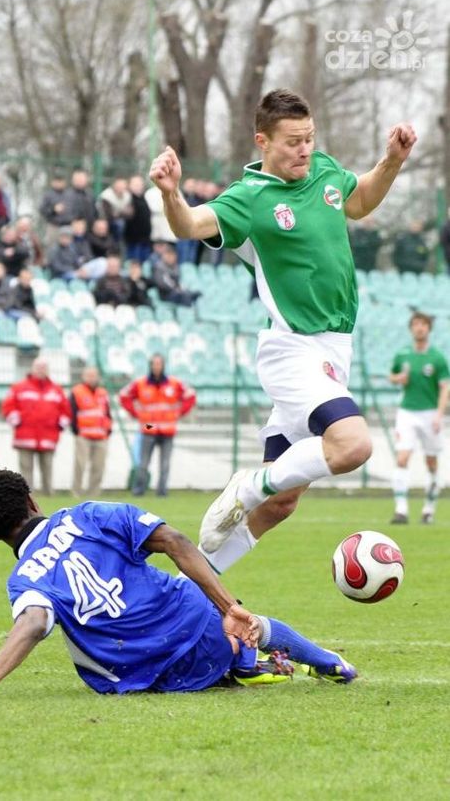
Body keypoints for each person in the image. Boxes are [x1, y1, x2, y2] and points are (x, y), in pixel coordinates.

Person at [149, 87, 417, 574]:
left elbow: (359, 202)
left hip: (334, 352)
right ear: (263, 141)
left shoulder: (325, 171)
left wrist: (391, 162)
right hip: (293, 349)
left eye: (309, 138)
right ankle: (248, 485)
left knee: (281, 504)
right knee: (353, 445)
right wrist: (171, 194)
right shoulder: (249, 199)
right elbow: (189, 225)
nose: (304, 149)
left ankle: (194, 590)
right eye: (293, 141)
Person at [0, 468, 356, 702]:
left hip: (146, 677)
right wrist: (229, 607)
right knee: (239, 618)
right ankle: (305, 659)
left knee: (100, 646)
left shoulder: (25, 580)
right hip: (202, 633)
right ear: (32, 502)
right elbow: (175, 542)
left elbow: (34, 624)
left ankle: (238, 663)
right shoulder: (89, 514)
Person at [389, 312, 449, 524]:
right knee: (402, 458)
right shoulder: (403, 354)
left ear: (428, 329)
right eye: (415, 324)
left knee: (431, 462)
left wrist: (439, 414)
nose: (419, 328)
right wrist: (398, 378)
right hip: (407, 412)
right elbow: (392, 376)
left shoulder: (437, 358)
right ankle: (401, 510)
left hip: (430, 413)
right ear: (411, 328)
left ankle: (428, 509)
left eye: (423, 324)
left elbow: (445, 388)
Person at [119, 354, 196, 497]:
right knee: (143, 463)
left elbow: (191, 395)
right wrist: (135, 413)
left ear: (163, 365)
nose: (157, 366)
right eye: (154, 364)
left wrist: (180, 412)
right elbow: (123, 395)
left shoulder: (174, 383)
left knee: (165, 464)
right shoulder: (140, 383)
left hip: (167, 428)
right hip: (149, 427)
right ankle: (139, 490)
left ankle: (162, 492)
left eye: (159, 363)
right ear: (150, 365)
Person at [1, 358, 71, 496]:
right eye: (38, 367)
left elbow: (66, 410)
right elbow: (8, 407)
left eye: (43, 367)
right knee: (26, 470)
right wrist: (16, 421)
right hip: (25, 436)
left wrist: (60, 424)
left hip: (48, 437)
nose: (41, 370)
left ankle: (48, 495)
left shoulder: (56, 390)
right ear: (32, 369)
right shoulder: (19, 387)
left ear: (48, 370)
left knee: (47, 468)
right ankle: (27, 497)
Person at [70, 367, 112, 497]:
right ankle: (76, 492)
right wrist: (75, 430)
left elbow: (107, 413)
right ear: (83, 376)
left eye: (93, 375)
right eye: (88, 375)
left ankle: (93, 494)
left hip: (101, 435)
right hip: (84, 435)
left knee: (98, 466)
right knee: (80, 465)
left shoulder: (103, 393)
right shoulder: (77, 391)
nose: (91, 378)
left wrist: (108, 429)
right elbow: (72, 412)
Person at [124, 175, 152, 262]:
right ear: (129, 186)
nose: (138, 186)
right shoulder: (127, 198)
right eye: (135, 184)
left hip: (145, 239)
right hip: (133, 241)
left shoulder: (144, 198)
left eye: (140, 184)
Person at [39, 171, 69, 248]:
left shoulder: (69, 194)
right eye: (57, 181)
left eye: (60, 181)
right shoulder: (48, 195)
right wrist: (53, 209)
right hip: (53, 226)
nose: (59, 183)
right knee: (52, 248)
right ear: (53, 182)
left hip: (67, 226)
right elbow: (42, 210)